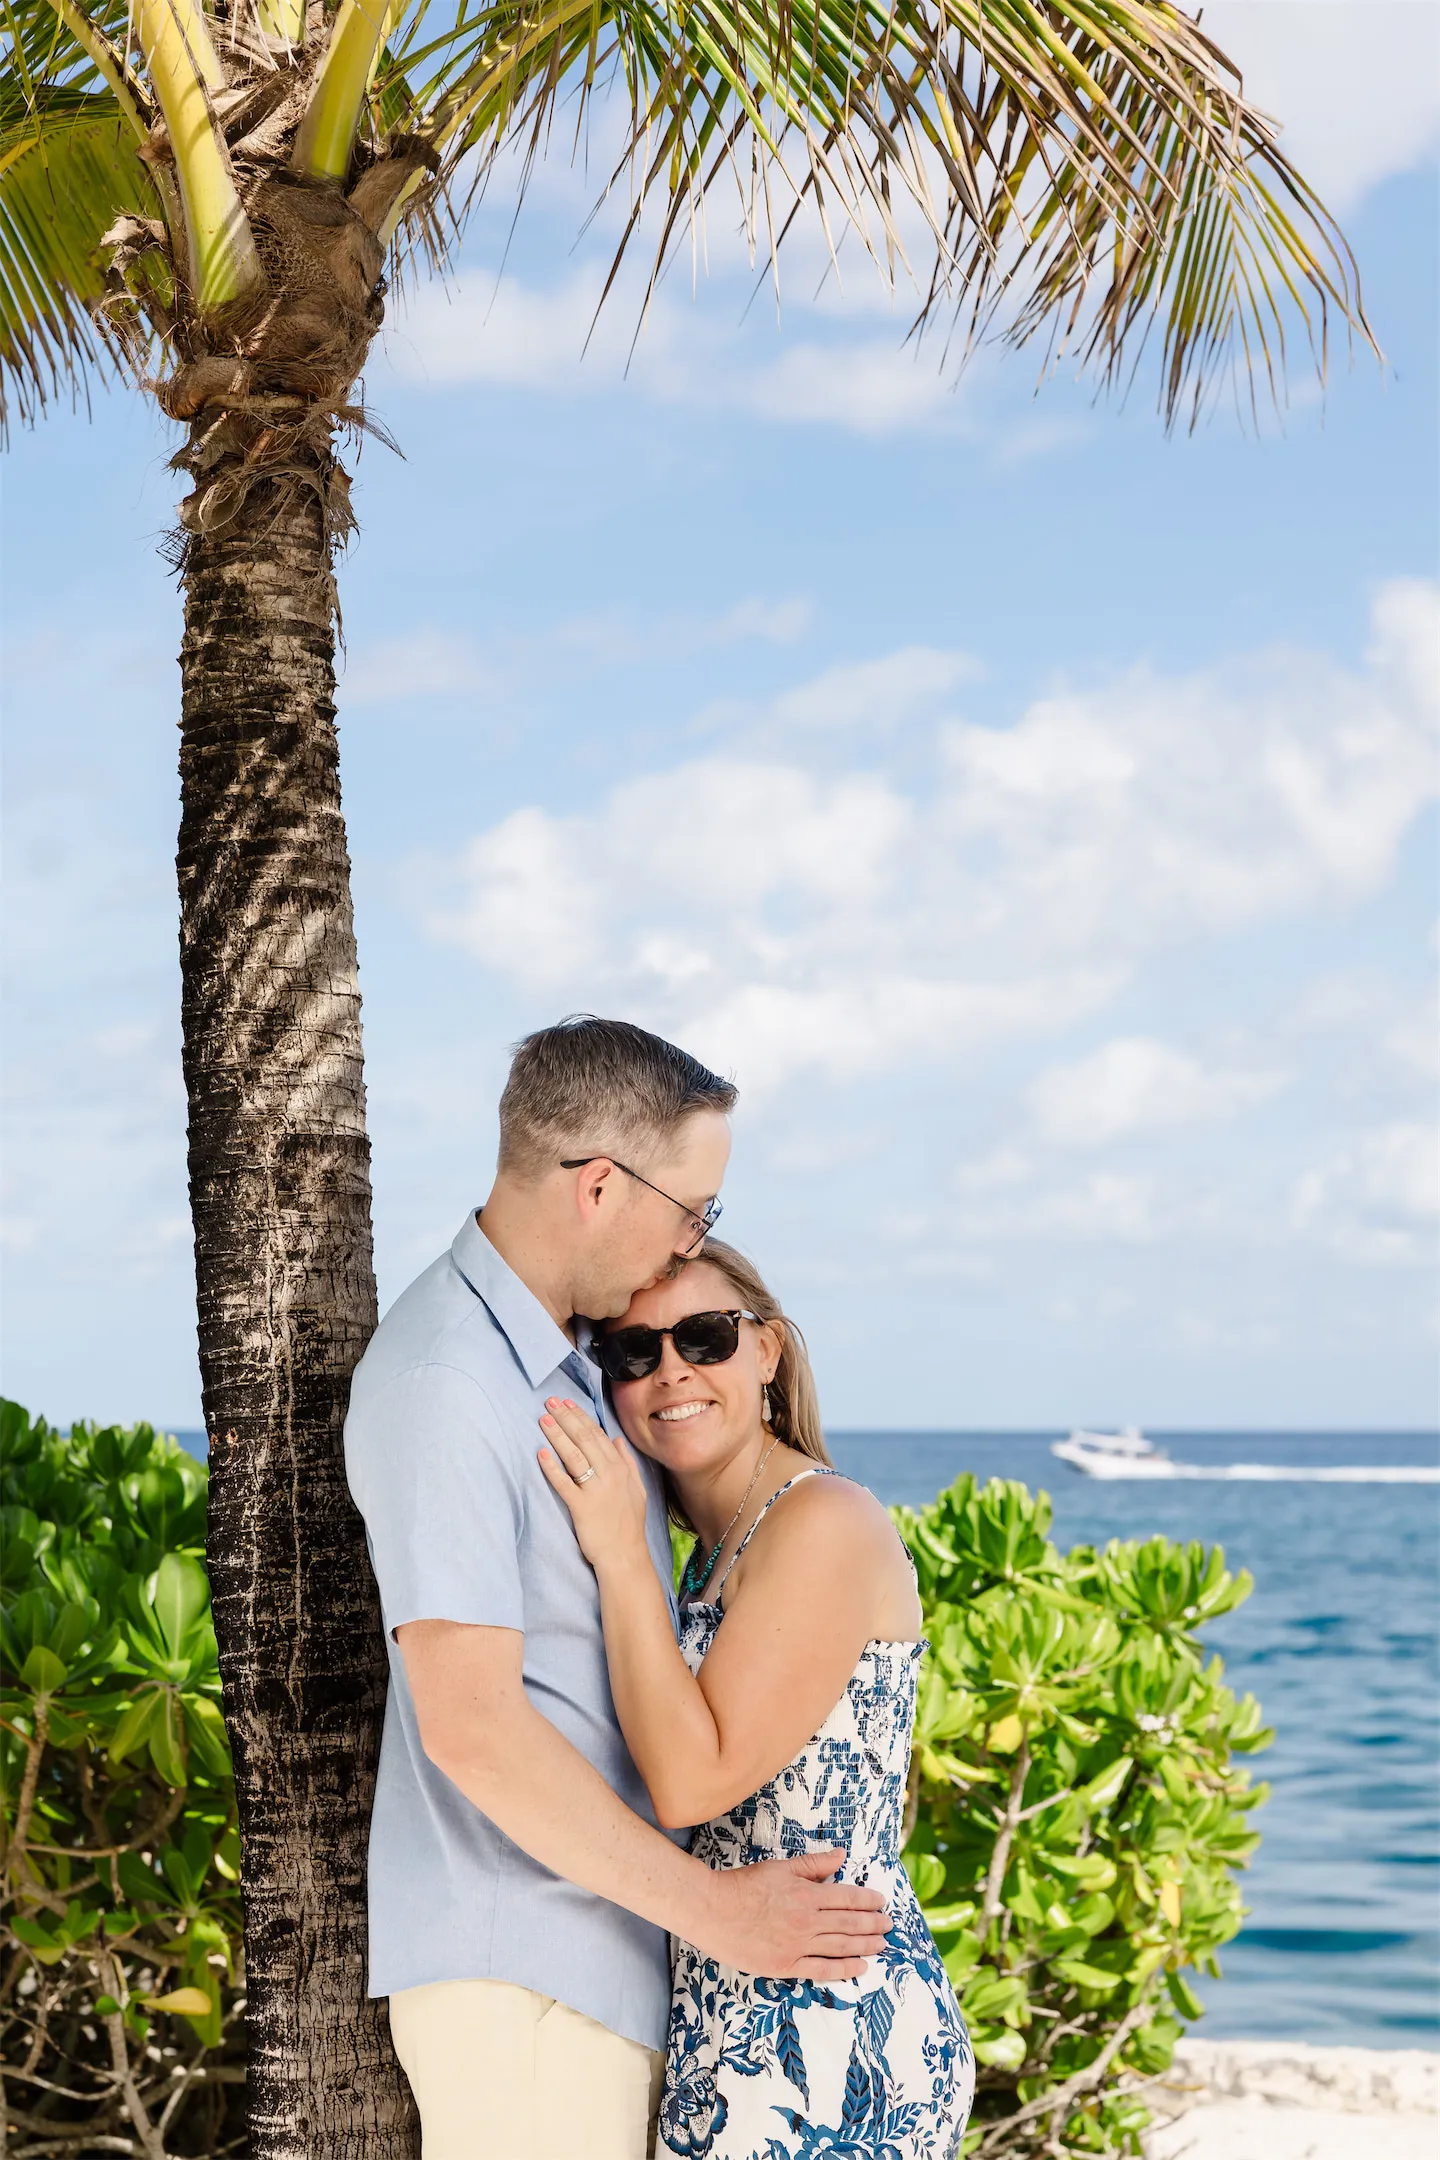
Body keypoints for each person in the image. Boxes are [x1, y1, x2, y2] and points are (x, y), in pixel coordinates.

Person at [343, 1017, 890, 2160]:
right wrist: (720, 1914)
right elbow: (473, 1728)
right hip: (528, 1973)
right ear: (600, 1185)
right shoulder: (451, 1381)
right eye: (694, 1206)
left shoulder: (568, 1367)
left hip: (611, 1975)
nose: (694, 1235)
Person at [537, 1238, 975, 2160]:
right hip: (738, 2009)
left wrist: (617, 1553)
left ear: (767, 1351)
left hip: (828, 2026)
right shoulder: (714, 1550)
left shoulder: (821, 1520)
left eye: (705, 1338)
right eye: (632, 1352)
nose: (670, 1372)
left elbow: (695, 1784)